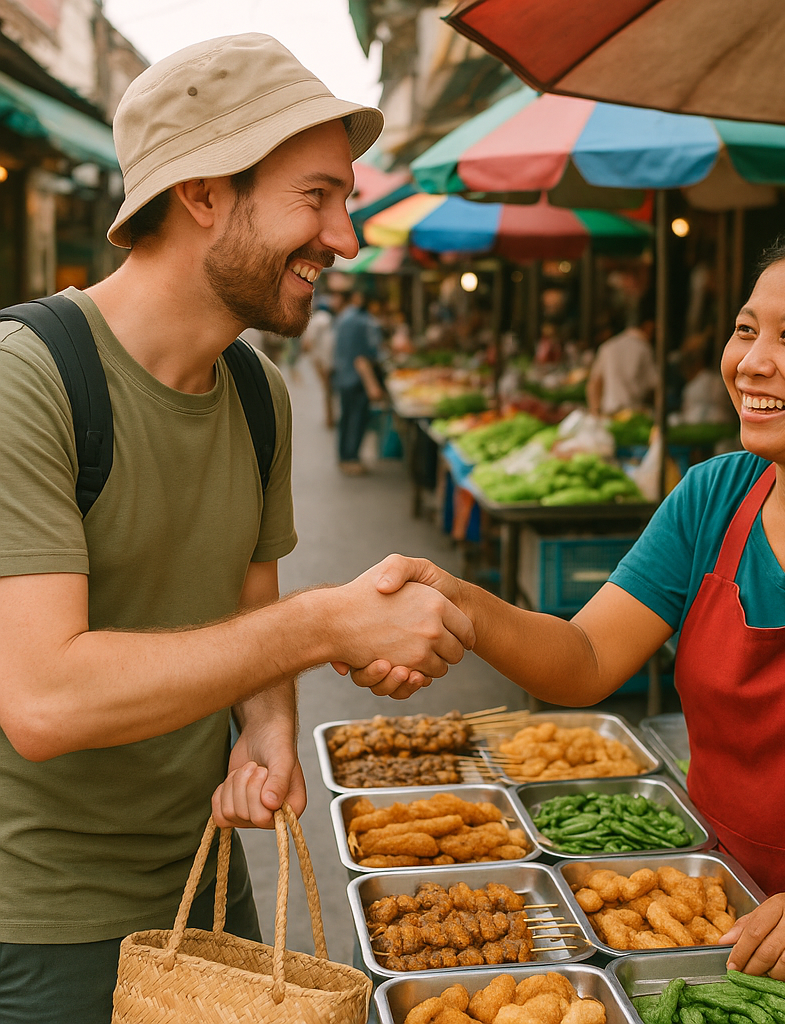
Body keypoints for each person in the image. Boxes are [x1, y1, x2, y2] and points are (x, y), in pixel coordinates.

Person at [359, 232, 785, 1024]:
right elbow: (586, 657)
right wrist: (463, 604)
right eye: (745, 329)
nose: (752, 362)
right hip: (712, 923)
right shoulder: (713, 498)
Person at [0, 33, 475, 1024]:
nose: (344, 236)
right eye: (316, 196)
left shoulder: (259, 393)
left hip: (207, 883)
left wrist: (265, 730)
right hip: (39, 925)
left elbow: (246, 607)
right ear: (204, 193)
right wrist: (323, 624)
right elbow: (43, 701)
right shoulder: (27, 381)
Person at [334, 288, 384, 474]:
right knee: (357, 419)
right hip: (359, 378)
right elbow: (370, 354)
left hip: (343, 376)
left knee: (346, 418)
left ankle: (344, 457)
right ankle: (352, 458)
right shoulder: (366, 322)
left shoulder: (344, 318)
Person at [586, 314, 658, 415]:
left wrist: (595, 411)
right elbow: (654, 385)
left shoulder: (608, 346)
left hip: (609, 410)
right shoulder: (644, 348)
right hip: (633, 412)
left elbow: (594, 383)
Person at [303, 287, 347, 427]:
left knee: (327, 390)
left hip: (321, 360)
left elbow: (308, 343)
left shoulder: (320, 319)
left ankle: (330, 417)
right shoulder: (324, 319)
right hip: (324, 361)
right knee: (328, 390)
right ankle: (330, 418)